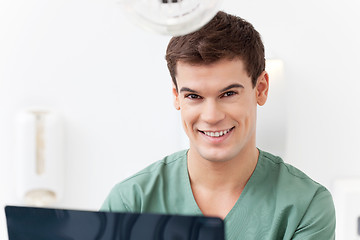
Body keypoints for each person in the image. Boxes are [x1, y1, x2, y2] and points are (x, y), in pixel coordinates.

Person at [101, 11, 336, 239]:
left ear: (261, 89)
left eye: (228, 93)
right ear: (177, 97)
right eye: (194, 96)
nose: (211, 116)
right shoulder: (132, 203)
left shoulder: (306, 206)